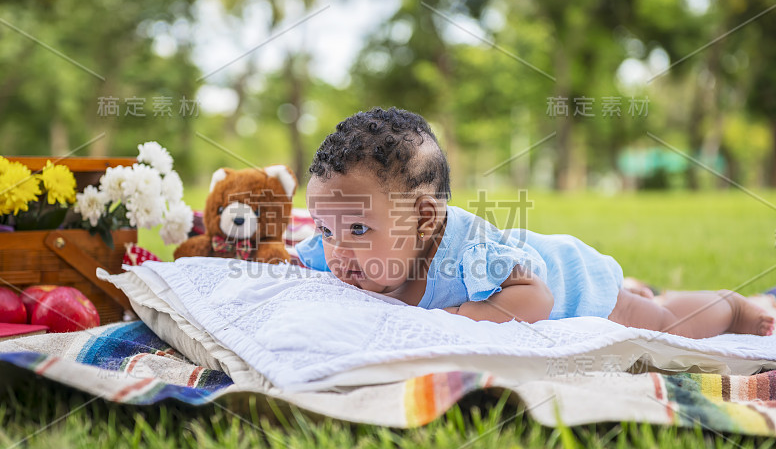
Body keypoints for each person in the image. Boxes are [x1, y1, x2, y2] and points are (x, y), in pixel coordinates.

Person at [296, 106, 775, 339]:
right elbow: (298, 256)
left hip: (569, 282)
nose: (338, 252)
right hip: (543, 277)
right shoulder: (339, 251)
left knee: (663, 324)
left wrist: (458, 320)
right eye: (327, 228)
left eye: (358, 230)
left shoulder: (467, 252)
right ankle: (645, 286)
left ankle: (734, 308)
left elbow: (535, 297)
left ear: (422, 219)